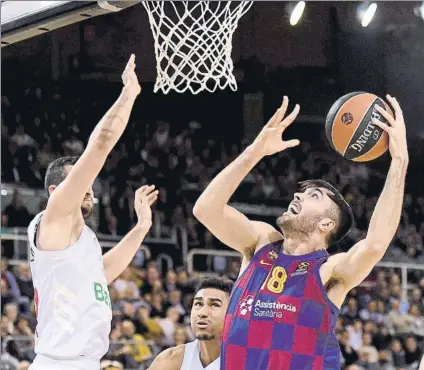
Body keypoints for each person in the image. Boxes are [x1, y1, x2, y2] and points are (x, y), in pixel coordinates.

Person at [193, 95, 408, 369]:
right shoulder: (261, 243)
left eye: (314, 195)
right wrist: (254, 152)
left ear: (326, 224)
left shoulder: (330, 270)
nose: (298, 195)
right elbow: (206, 210)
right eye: (302, 192)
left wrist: (399, 159)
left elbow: (375, 244)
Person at [27, 55, 158, 370]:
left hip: (83, 361)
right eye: (79, 179)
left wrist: (140, 228)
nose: (88, 186)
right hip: (59, 363)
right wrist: (128, 95)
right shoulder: (53, 218)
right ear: (56, 192)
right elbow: (99, 146)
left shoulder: (81, 239)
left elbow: (103, 271)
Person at [147, 277, 233, 370]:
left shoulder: (246, 362)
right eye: (198, 304)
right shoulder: (170, 360)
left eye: (214, 304)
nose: (202, 313)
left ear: (233, 313)